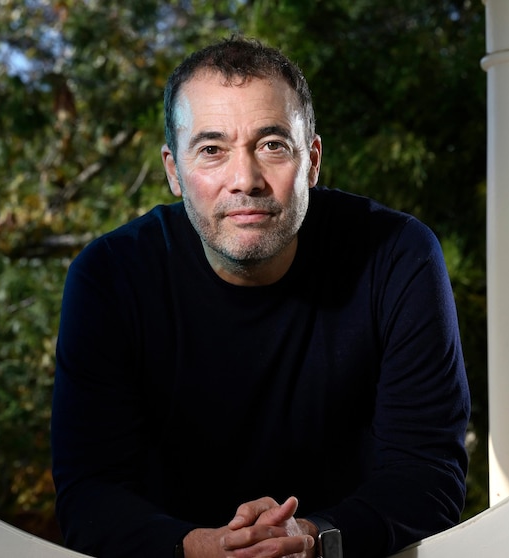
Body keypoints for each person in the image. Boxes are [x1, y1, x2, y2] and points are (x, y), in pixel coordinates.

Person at [51, 36, 471, 558]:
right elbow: (89, 494)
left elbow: (428, 474)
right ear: (174, 172)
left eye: (272, 144)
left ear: (312, 161)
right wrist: (205, 548)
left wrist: (312, 538)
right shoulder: (110, 277)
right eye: (212, 150)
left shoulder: (398, 256)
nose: (245, 180)